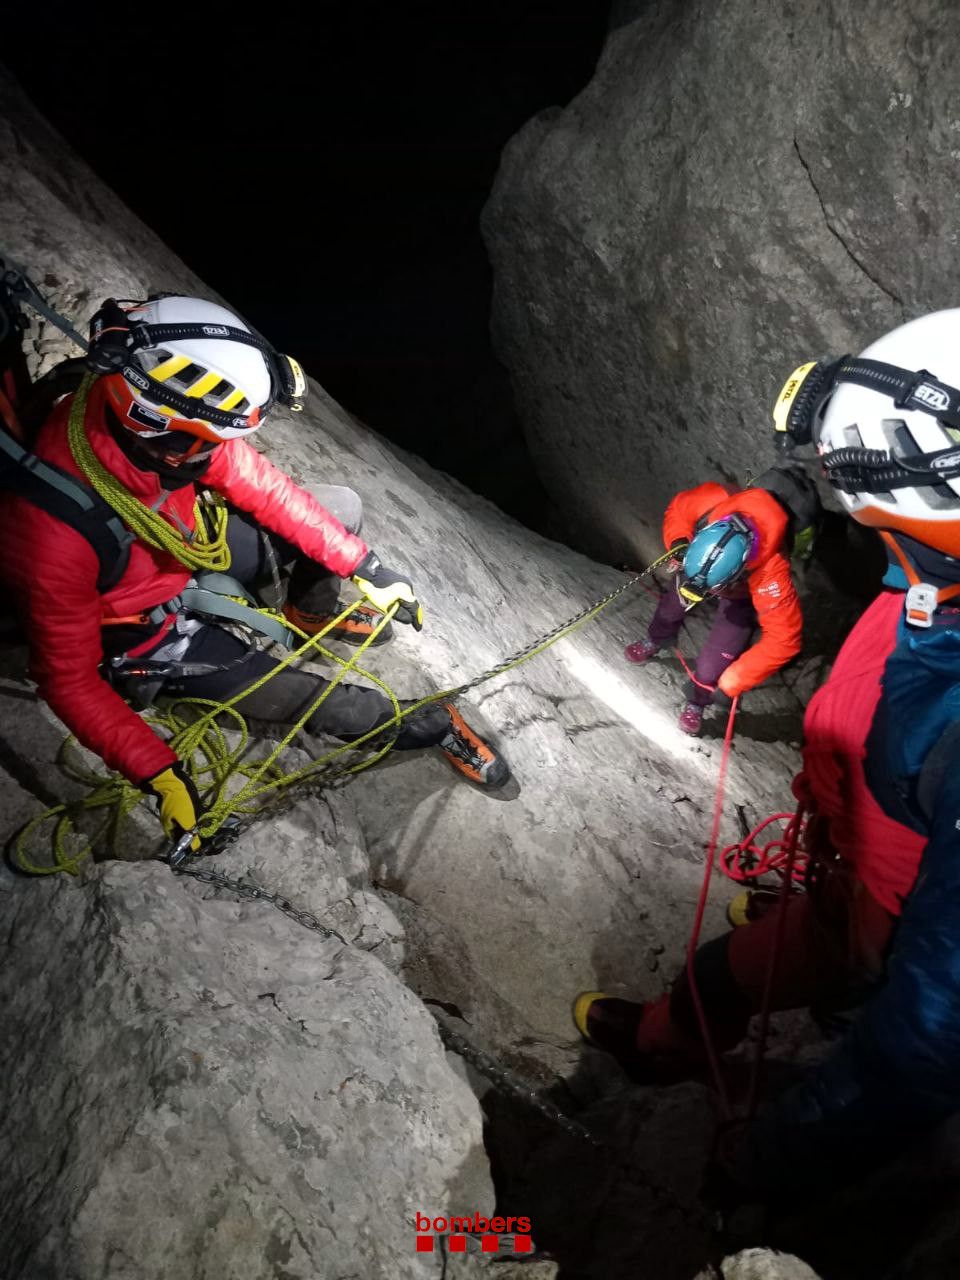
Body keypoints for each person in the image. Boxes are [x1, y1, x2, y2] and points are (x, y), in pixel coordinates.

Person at [577, 308, 960, 1195]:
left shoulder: (922, 607)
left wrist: (765, 1165)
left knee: (720, 974)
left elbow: (929, 1038)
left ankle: (660, 1048)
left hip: (877, 917)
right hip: (863, 865)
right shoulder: (929, 588)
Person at [0, 295, 510, 853]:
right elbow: (68, 681)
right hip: (140, 626)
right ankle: (424, 726)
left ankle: (308, 615)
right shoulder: (51, 536)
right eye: (213, 440)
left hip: (176, 545)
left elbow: (264, 489)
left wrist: (366, 567)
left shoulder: (144, 417)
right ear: (170, 435)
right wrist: (160, 774)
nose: (224, 451)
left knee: (339, 509)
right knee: (313, 700)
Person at [624, 467, 810, 734]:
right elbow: (679, 510)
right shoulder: (714, 499)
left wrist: (734, 681)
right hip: (700, 568)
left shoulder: (771, 572)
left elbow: (784, 639)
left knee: (716, 660)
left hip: (741, 596)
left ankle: (697, 702)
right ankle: (656, 639)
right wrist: (679, 542)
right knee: (671, 605)